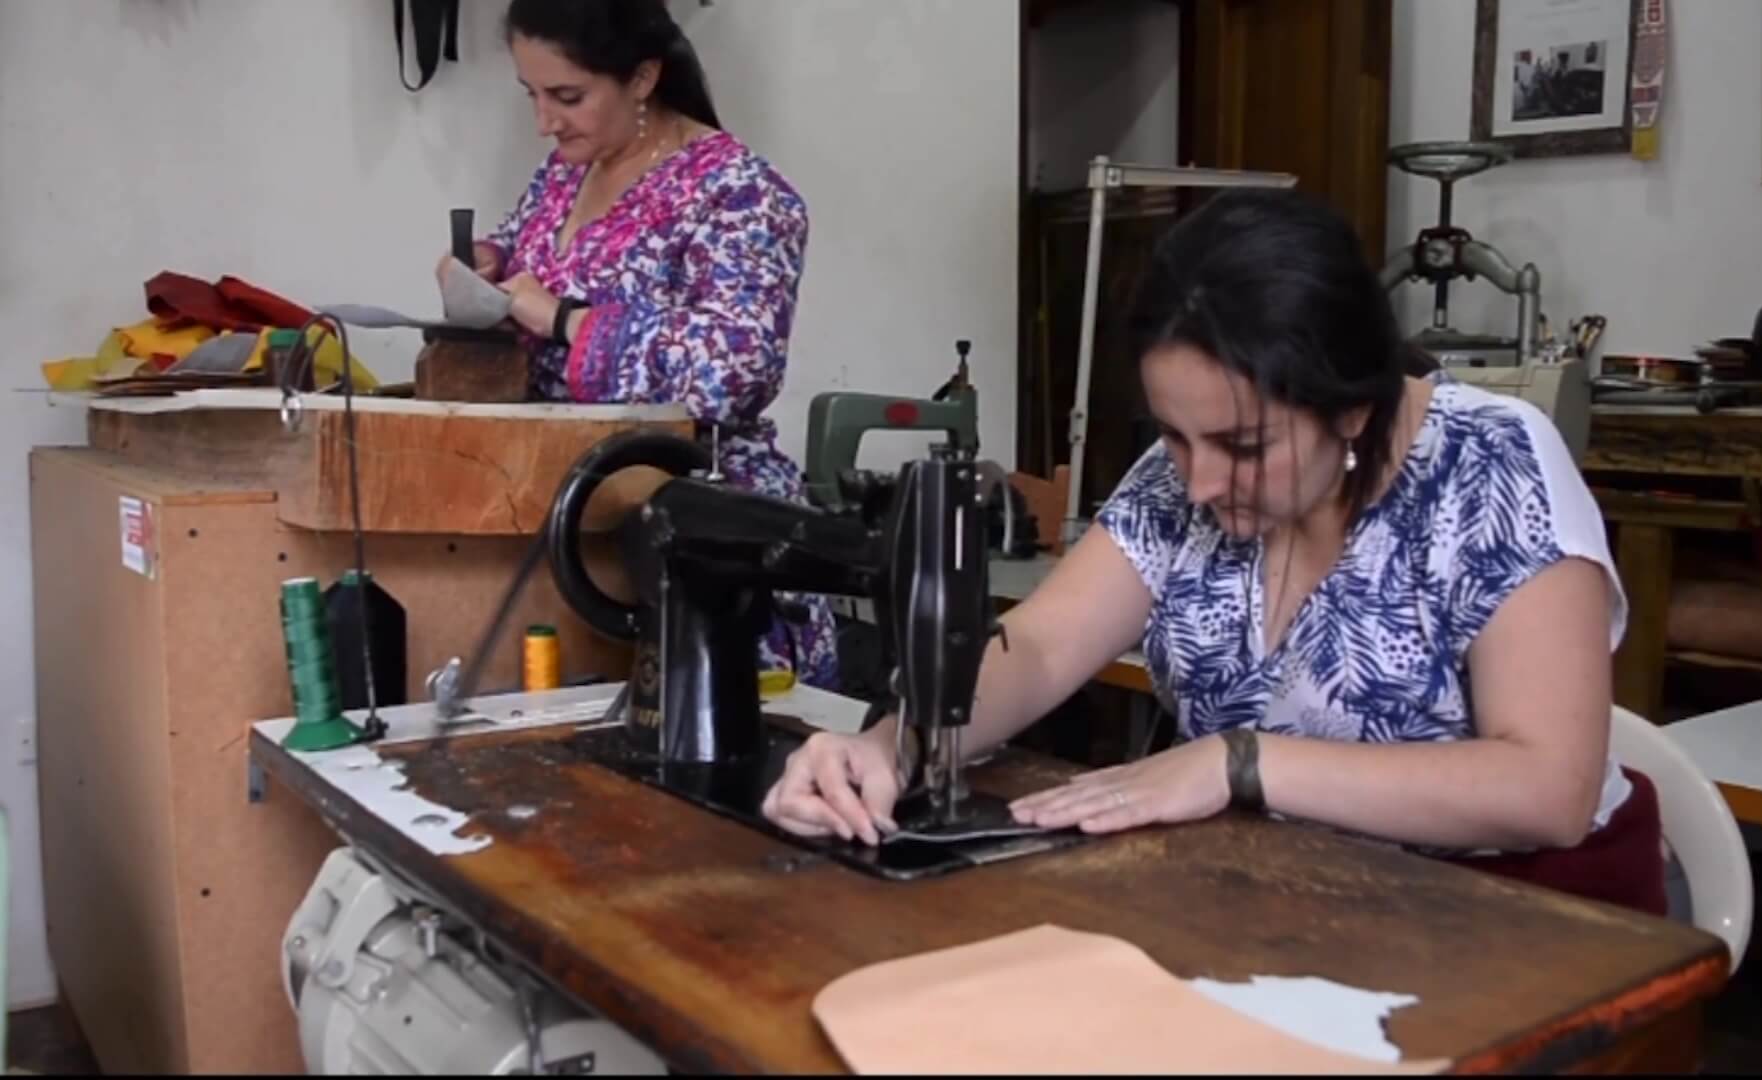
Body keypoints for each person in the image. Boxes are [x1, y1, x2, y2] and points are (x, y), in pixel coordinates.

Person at [762, 188, 1667, 917]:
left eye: (1240, 447)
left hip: (1526, 921)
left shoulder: (1492, 463)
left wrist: (1236, 762)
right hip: (1295, 903)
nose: (1194, 482)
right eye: (1173, 435)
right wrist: (896, 742)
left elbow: (1545, 784)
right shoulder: (1182, 471)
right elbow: (1036, 649)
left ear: (1354, 406)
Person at [440, 0, 836, 687]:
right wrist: (488, 263)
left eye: (568, 96)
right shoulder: (565, 172)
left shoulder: (740, 194)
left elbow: (732, 371)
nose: (544, 121)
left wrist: (560, 318)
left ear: (644, 77)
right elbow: (526, 254)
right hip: (580, 520)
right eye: (531, 94)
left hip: (698, 537)